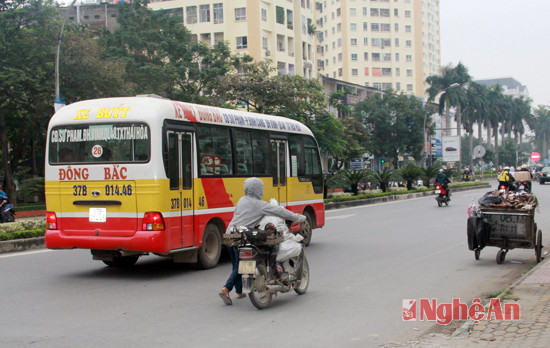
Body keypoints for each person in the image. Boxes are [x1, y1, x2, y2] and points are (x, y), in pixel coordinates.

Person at [219, 177, 306, 305]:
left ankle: (239, 292)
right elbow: (280, 211)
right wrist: (300, 217)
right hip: (243, 236)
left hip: (230, 235)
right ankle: (227, 288)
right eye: (261, 189)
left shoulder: (242, 200)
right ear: (257, 189)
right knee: (240, 266)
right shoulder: (260, 205)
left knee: (236, 264)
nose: (262, 191)